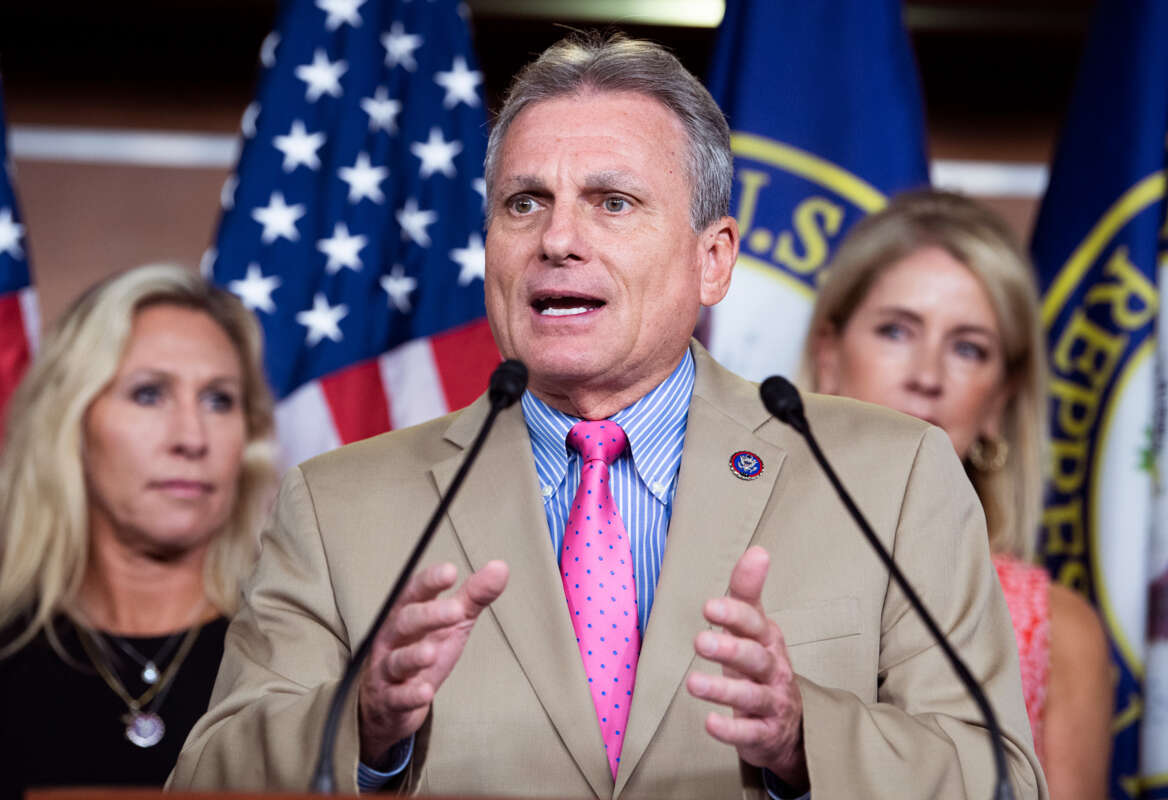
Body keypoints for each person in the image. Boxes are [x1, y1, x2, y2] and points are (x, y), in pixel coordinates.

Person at [171, 34, 1046, 798]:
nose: (557, 239)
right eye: (524, 203)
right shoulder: (336, 506)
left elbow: (997, 776)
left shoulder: (889, 479)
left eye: (612, 202)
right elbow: (202, 782)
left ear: (713, 261)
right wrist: (357, 728)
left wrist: (802, 737)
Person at [802, 189, 1111, 799]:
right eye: (896, 330)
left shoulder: (1060, 630)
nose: (928, 376)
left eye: (968, 348)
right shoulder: (723, 568)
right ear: (829, 355)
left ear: (998, 400)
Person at [0, 264, 276, 799]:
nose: (192, 437)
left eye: (219, 399)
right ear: (71, 423)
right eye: (149, 393)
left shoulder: (298, 660)